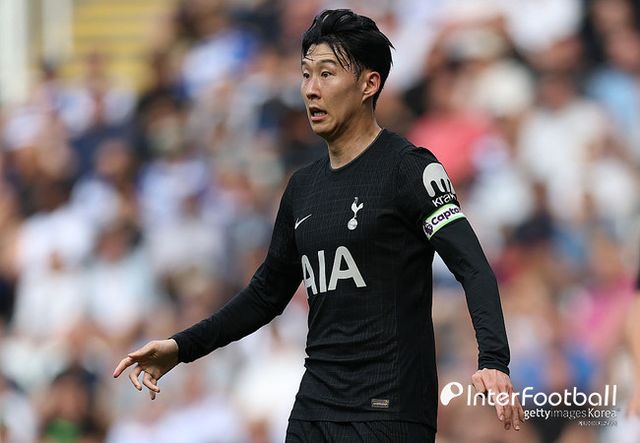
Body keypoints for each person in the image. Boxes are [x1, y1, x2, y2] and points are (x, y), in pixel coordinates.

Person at [113, 9, 524, 441]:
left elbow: (473, 266)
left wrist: (493, 360)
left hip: (388, 409)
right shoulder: (302, 187)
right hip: (314, 409)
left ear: (369, 84)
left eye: (326, 74)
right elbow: (265, 295)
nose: (311, 89)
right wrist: (181, 347)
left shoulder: (409, 169)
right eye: (306, 74)